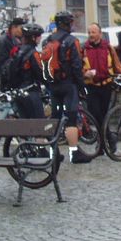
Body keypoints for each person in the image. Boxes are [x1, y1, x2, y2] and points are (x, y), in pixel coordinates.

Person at [43, 10, 92, 164]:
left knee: (55, 118)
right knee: (71, 119)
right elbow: (77, 66)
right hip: (68, 85)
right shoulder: (72, 41)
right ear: (67, 24)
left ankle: (53, 153)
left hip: (53, 86)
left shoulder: (47, 41)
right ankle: (74, 153)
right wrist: (82, 86)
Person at [83, 23, 121, 147]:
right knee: (95, 114)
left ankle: (101, 145)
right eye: (89, 32)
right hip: (91, 86)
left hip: (106, 85)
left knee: (103, 114)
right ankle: (110, 138)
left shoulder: (108, 47)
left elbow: (116, 63)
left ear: (100, 34)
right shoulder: (83, 49)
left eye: (93, 32)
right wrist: (84, 73)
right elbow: (78, 65)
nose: (91, 35)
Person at [10, 22, 46, 119]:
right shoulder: (33, 53)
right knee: (40, 123)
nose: (40, 38)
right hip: (31, 92)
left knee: (25, 124)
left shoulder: (18, 51)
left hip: (18, 92)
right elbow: (40, 73)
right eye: (39, 36)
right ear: (33, 38)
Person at [0, 16, 25, 90]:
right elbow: (2, 63)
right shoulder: (4, 40)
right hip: (8, 82)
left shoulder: (20, 39)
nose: (23, 31)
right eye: (21, 28)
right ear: (13, 27)